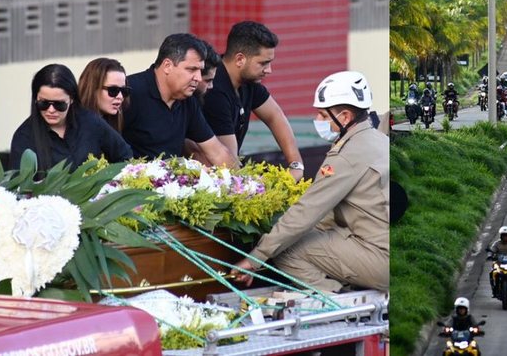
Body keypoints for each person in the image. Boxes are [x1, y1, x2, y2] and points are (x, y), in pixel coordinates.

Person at [232, 71, 388, 292]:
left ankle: (341, 300)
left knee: (287, 250)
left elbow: (307, 211)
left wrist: (255, 258)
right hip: (382, 247)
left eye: (323, 116)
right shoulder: (378, 140)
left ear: (344, 117)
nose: (318, 121)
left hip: (379, 257)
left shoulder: (345, 156)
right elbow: (327, 214)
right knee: (313, 233)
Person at [199, 22, 303, 179]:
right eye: (263, 63)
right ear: (240, 59)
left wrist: (296, 165)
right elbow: (229, 163)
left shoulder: (249, 81)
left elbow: (275, 116)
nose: (269, 70)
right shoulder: (215, 91)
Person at [122, 33, 239, 167]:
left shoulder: (188, 101)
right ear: (167, 66)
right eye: (192, 69)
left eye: (200, 71)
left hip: (172, 183)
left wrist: (243, 183)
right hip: (130, 182)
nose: (198, 78)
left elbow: (216, 152)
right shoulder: (129, 93)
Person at [10, 64, 132, 171]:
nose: (51, 110)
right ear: (35, 100)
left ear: (72, 99)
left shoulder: (91, 122)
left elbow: (125, 156)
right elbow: (20, 186)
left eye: (59, 104)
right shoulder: (24, 137)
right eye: (44, 103)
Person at [78, 58, 130, 133]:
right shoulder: (75, 125)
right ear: (93, 88)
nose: (120, 97)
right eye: (113, 90)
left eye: (124, 91)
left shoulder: (112, 122)